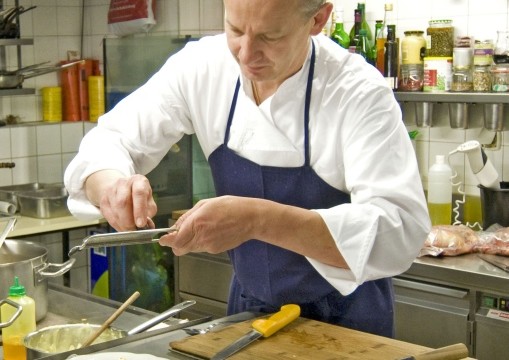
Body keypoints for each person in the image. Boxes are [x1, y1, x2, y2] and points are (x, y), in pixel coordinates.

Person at [65, 0, 430, 337]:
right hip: (250, 311)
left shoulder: (357, 92)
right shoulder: (203, 67)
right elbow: (107, 143)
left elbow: (399, 230)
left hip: (351, 321)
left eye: (270, 36)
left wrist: (257, 220)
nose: (246, 53)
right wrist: (113, 186)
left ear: (318, 19)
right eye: (235, 30)